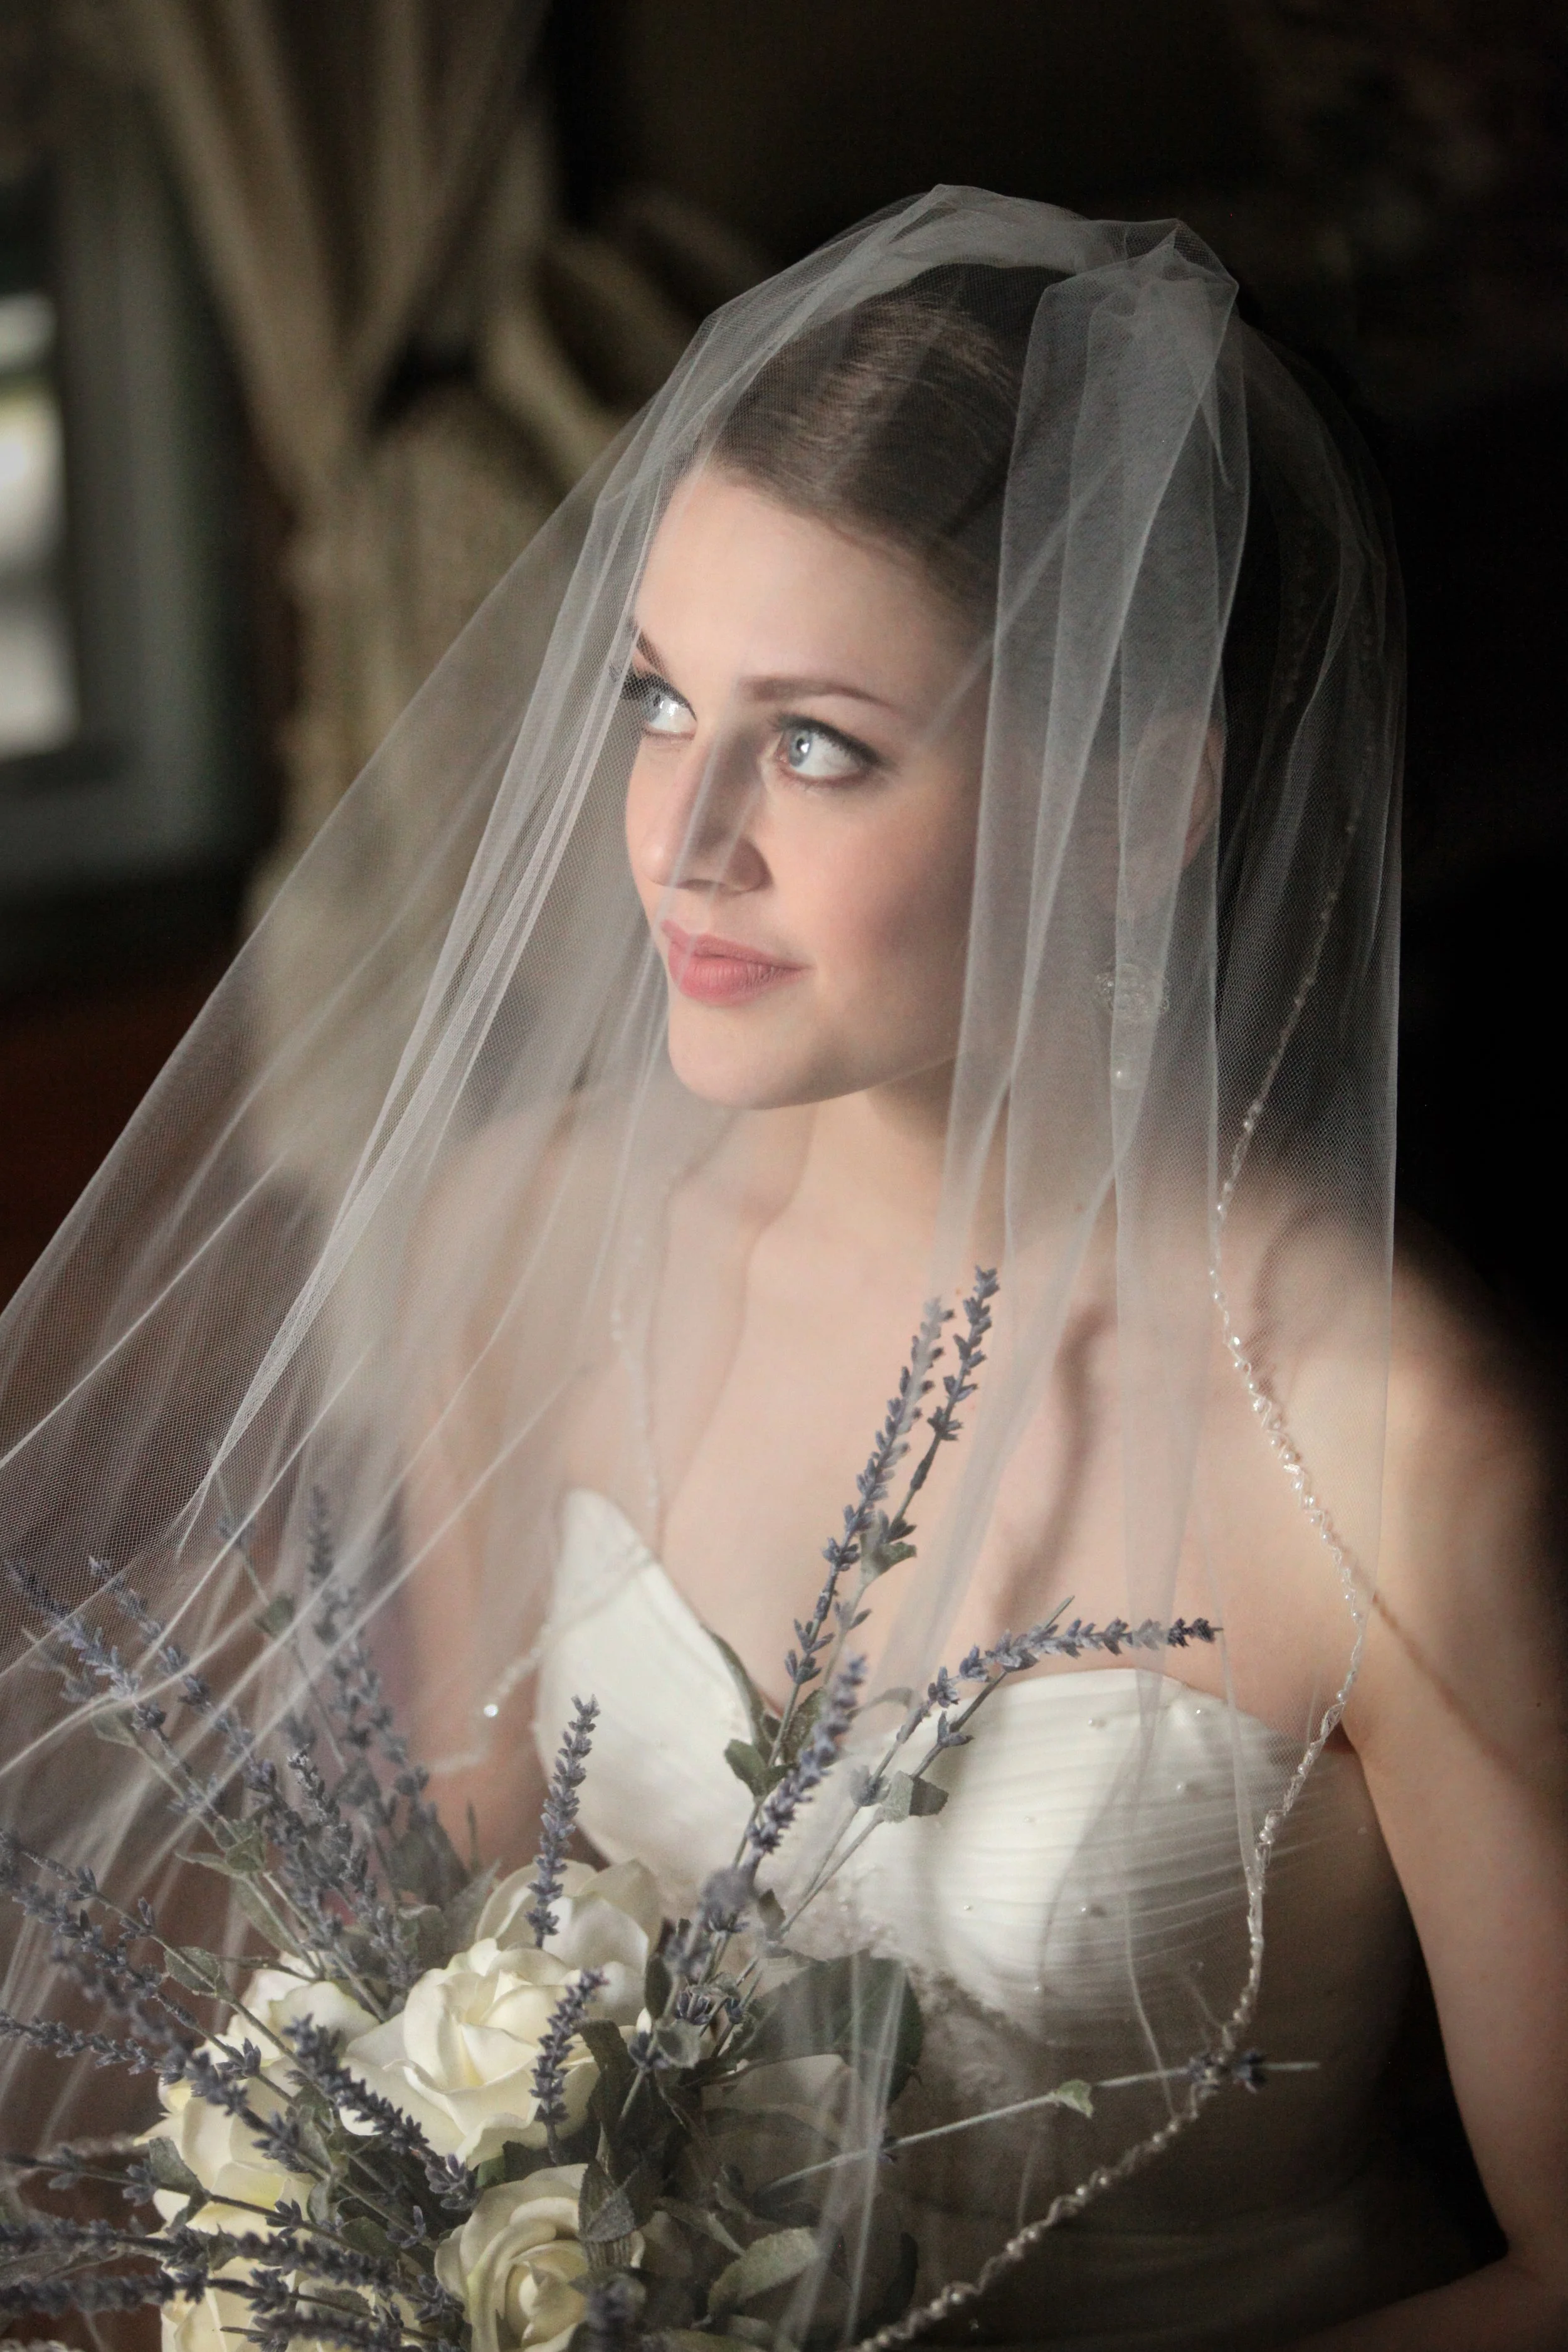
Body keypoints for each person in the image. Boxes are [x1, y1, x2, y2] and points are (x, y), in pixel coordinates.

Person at [1, 189, 1564, 2351]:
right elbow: (466, 1979)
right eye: (656, 701)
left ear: (1135, 811)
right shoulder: (523, 1243)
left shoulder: (1392, 1432)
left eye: (816, 740)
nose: (683, 831)